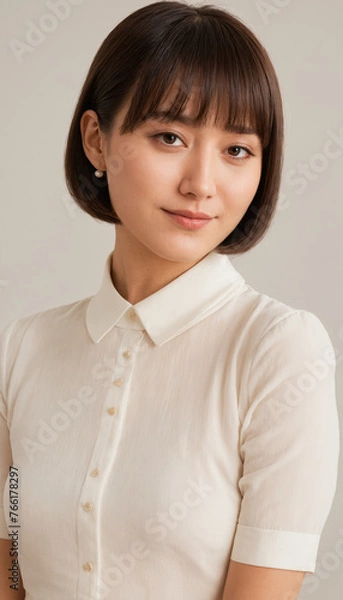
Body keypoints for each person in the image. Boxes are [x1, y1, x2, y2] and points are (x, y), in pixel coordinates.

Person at [0, 1, 339, 599]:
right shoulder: (26, 347)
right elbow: (10, 568)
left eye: (237, 150)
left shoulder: (279, 352)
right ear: (97, 141)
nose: (201, 184)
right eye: (170, 136)